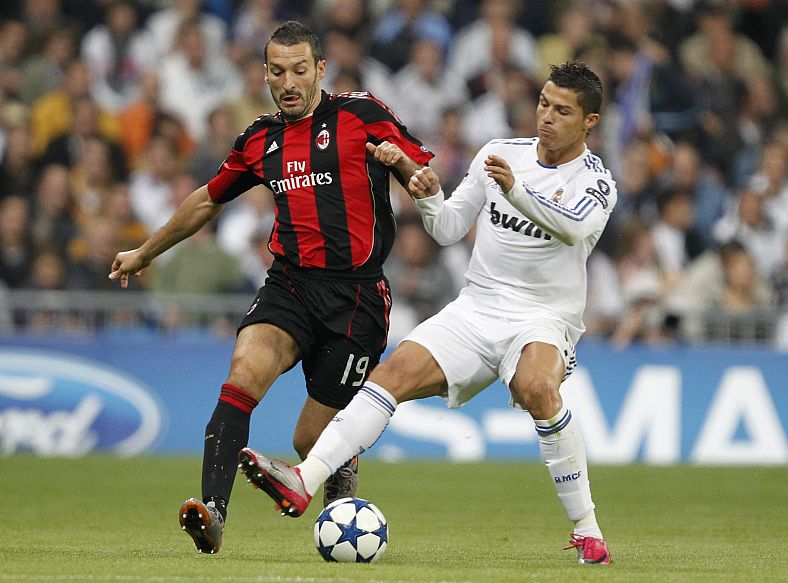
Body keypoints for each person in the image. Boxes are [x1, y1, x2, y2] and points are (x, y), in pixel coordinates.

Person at [239, 61, 615, 565]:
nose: (546, 116)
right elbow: (448, 229)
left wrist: (518, 192)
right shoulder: (501, 154)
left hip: (543, 319)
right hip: (477, 308)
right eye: (544, 103)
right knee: (389, 374)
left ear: (589, 121)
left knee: (539, 388)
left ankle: (588, 530)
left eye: (562, 110)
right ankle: (303, 481)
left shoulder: (595, 181)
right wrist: (428, 194)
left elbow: (570, 228)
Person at [108, 21, 433, 554]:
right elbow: (208, 200)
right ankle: (212, 515)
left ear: (320, 70)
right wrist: (145, 251)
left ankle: (339, 508)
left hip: (357, 299)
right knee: (243, 373)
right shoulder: (261, 138)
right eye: (278, 72)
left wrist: (417, 177)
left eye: (300, 70)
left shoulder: (361, 115)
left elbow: (419, 167)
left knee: (312, 439)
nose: (289, 82)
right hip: (290, 285)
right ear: (264, 74)